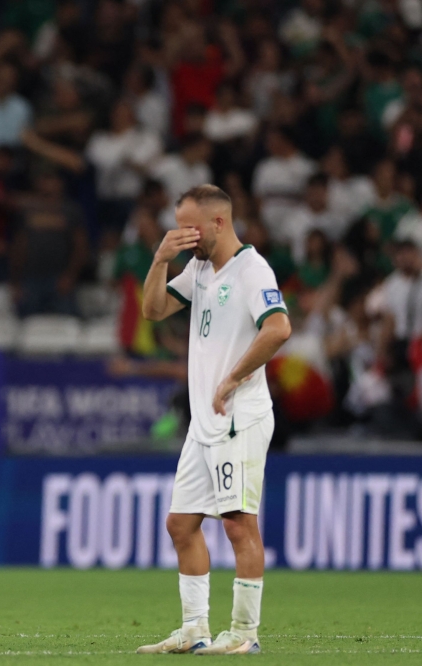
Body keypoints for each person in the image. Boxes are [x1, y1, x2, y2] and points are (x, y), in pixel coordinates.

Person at [137, 184, 291, 655]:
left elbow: (279, 326)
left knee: (238, 524)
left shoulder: (251, 270)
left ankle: (245, 633)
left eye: (190, 227)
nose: (184, 235)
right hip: (204, 422)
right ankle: (194, 629)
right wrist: (160, 260)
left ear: (219, 223)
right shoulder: (199, 267)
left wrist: (234, 377)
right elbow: (154, 310)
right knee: (181, 524)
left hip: (237, 417)